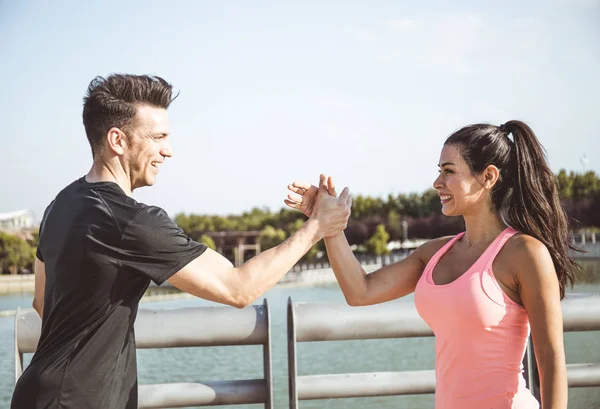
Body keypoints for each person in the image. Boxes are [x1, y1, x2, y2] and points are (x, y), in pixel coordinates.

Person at [11, 74, 352, 409]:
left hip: (35, 393)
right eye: (157, 137)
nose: (168, 151)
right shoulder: (132, 221)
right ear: (117, 140)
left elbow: (42, 302)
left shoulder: (60, 203)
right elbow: (238, 288)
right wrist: (317, 227)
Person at [286, 121, 578, 409]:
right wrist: (327, 225)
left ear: (488, 177)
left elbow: (550, 360)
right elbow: (360, 291)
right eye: (439, 171)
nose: (437, 182)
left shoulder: (525, 253)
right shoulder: (435, 253)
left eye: (449, 171)